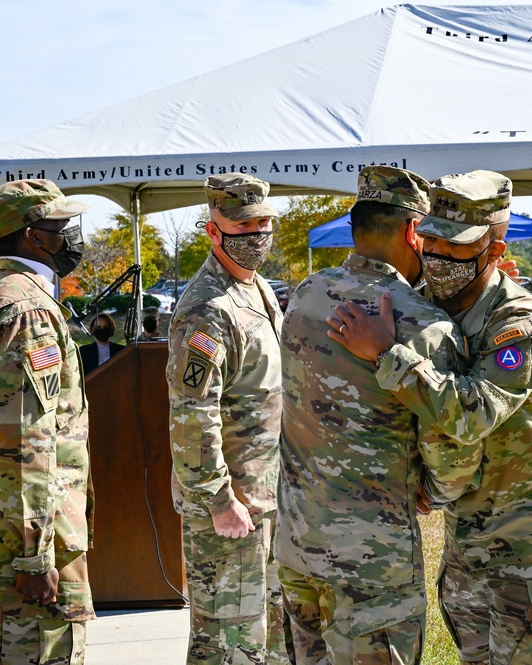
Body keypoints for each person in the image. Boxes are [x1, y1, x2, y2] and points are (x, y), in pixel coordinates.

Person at [328, 170, 532, 665]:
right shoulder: (424, 303)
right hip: (468, 536)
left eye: (455, 248)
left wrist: (388, 353)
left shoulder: (520, 321)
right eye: (430, 241)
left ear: (495, 250)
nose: (436, 257)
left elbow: (472, 414)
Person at [277, 166, 479, 664]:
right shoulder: (426, 325)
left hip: (298, 541)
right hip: (372, 559)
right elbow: (452, 453)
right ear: (414, 232)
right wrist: (432, 492)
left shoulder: (305, 296)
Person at [166, 174, 288, 664]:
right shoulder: (206, 310)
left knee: (273, 640)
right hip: (229, 511)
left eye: (263, 223)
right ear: (213, 231)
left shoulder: (257, 290)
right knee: (227, 645)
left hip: (268, 498)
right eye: (243, 225)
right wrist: (218, 500)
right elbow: (193, 414)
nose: (256, 234)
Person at [0, 179, 95, 662]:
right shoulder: (27, 311)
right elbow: (22, 439)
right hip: (21, 554)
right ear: (34, 236)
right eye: (62, 225)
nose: (73, 236)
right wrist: (34, 553)